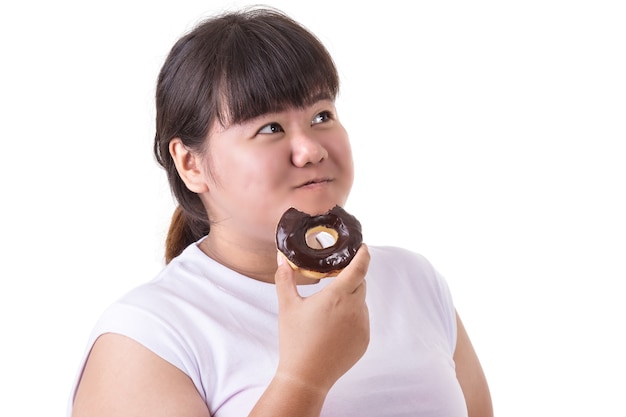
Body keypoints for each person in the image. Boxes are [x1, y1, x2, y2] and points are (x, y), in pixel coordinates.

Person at [68, 6, 493, 417]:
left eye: (321, 115)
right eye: (270, 128)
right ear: (191, 164)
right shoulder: (147, 335)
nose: (311, 149)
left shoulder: (414, 281)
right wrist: (303, 379)